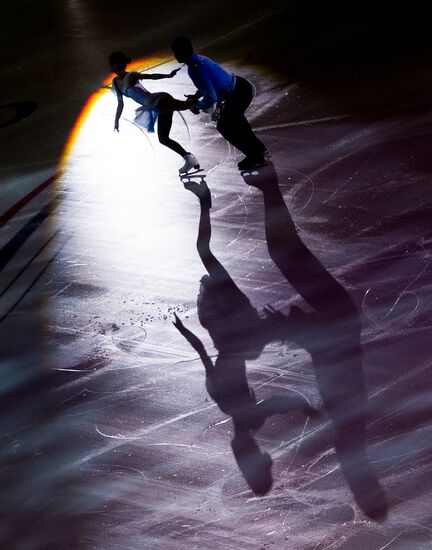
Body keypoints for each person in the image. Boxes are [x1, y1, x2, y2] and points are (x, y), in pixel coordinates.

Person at [171, 37, 268, 171]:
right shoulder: (198, 60)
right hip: (240, 87)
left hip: (239, 93)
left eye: (176, 52)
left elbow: (211, 96)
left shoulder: (196, 67)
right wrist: (197, 95)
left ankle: (255, 156)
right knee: (237, 120)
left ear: (183, 52)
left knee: (224, 126)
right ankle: (258, 149)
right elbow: (208, 84)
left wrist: (196, 105)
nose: (175, 56)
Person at [109, 51, 200, 175]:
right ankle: (189, 159)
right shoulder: (115, 82)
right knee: (163, 138)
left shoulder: (130, 76)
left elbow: (151, 76)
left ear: (116, 65)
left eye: (111, 64)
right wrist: (116, 120)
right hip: (154, 106)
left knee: (183, 105)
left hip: (158, 100)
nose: (109, 66)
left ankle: (204, 104)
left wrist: (168, 76)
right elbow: (120, 103)